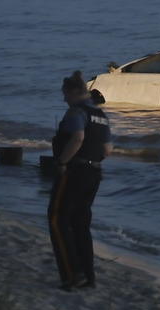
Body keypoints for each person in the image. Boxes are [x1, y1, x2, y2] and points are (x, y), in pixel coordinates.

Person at [48, 70, 112, 291]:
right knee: (81, 224)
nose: (64, 99)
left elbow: (78, 138)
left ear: (75, 92)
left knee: (58, 220)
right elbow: (107, 149)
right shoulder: (101, 116)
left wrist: (62, 162)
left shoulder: (76, 113)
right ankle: (88, 275)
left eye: (65, 94)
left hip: (74, 172)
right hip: (94, 173)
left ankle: (72, 274)